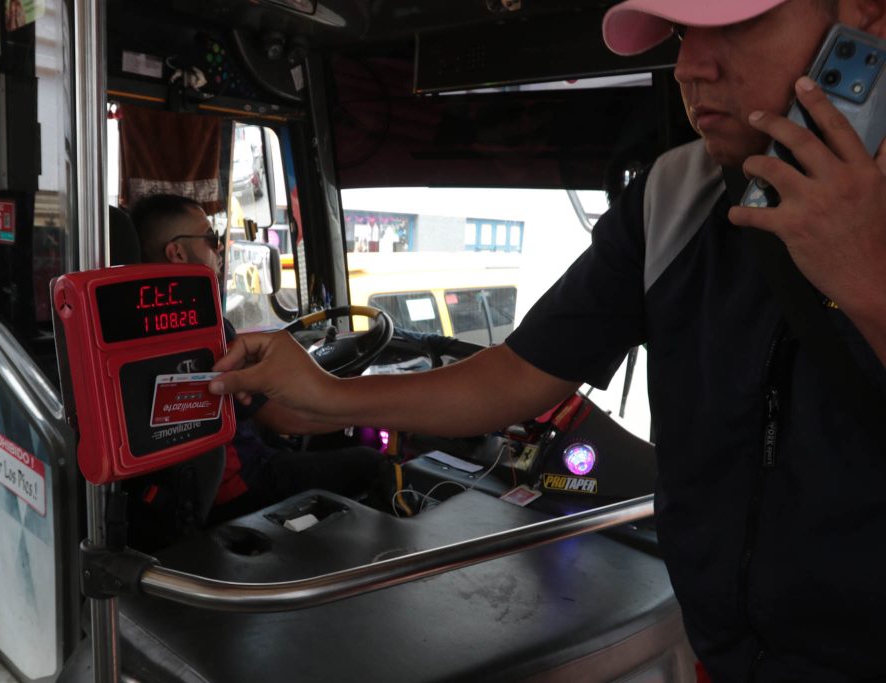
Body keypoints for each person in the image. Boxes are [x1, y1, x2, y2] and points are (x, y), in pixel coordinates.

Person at [207, 0, 886, 680]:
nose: (688, 66)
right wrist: (328, 393)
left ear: (865, 17)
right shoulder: (672, 199)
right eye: (682, 34)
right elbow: (516, 375)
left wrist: (867, 278)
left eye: (734, 25)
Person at [129, 193, 388, 525]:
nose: (219, 248)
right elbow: (288, 419)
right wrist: (379, 412)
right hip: (238, 485)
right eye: (211, 238)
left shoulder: (137, 322)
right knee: (370, 462)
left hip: (173, 492)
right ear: (176, 252)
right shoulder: (203, 328)